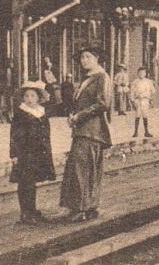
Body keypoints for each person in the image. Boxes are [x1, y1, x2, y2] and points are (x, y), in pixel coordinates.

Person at [59, 48, 113, 222]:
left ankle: (82, 208)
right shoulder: (87, 79)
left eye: (88, 57)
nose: (84, 60)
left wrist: (79, 116)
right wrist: (72, 115)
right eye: (82, 57)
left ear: (96, 59)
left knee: (83, 168)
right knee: (80, 167)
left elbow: (103, 103)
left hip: (92, 130)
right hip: (83, 129)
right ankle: (84, 206)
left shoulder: (102, 77)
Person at [9, 81, 56, 226]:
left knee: (32, 181)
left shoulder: (41, 112)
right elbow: (14, 135)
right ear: (23, 99)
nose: (29, 99)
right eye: (27, 96)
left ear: (38, 98)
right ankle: (26, 213)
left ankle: (32, 210)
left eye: (33, 96)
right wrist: (14, 154)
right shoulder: (21, 114)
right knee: (25, 182)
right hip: (25, 153)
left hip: (38, 153)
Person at [129, 67, 156, 138]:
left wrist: (151, 99)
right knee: (137, 115)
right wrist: (132, 101)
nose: (142, 74)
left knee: (145, 115)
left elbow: (153, 91)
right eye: (140, 73)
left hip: (145, 100)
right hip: (137, 100)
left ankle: (146, 132)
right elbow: (131, 92)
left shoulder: (148, 82)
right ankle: (135, 132)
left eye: (143, 73)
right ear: (138, 73)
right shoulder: (135, 82)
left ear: (145, 74)